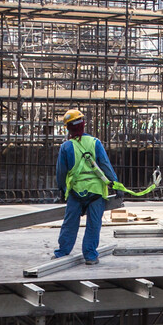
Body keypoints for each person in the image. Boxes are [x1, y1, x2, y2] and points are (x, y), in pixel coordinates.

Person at [53, 109, 120, 263]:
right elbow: (105, 165)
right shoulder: (95, 143)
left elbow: (61, 172)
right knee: (93, 224)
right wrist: (116, 185)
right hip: (96, 192)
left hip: (76, 192)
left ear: (68, 128)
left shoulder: (66, 147)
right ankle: (90, 256)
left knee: (70, 223)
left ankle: (62, 252)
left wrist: (62, 190)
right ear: (83, 124)